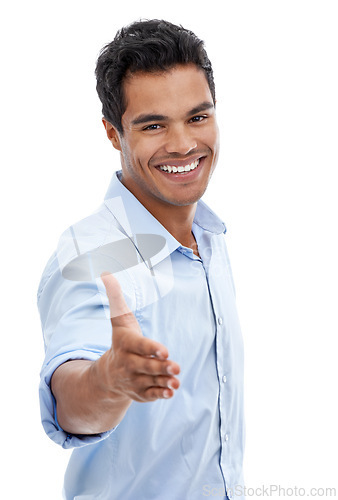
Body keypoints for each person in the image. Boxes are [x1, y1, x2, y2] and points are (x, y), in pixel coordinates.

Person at [38, 19, 245, 500]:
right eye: (153, 125)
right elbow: (70, 397)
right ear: (113, 133)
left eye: (197, 117)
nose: (182, 145)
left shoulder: (209, 238)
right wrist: (108, 380)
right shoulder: (91, 255)